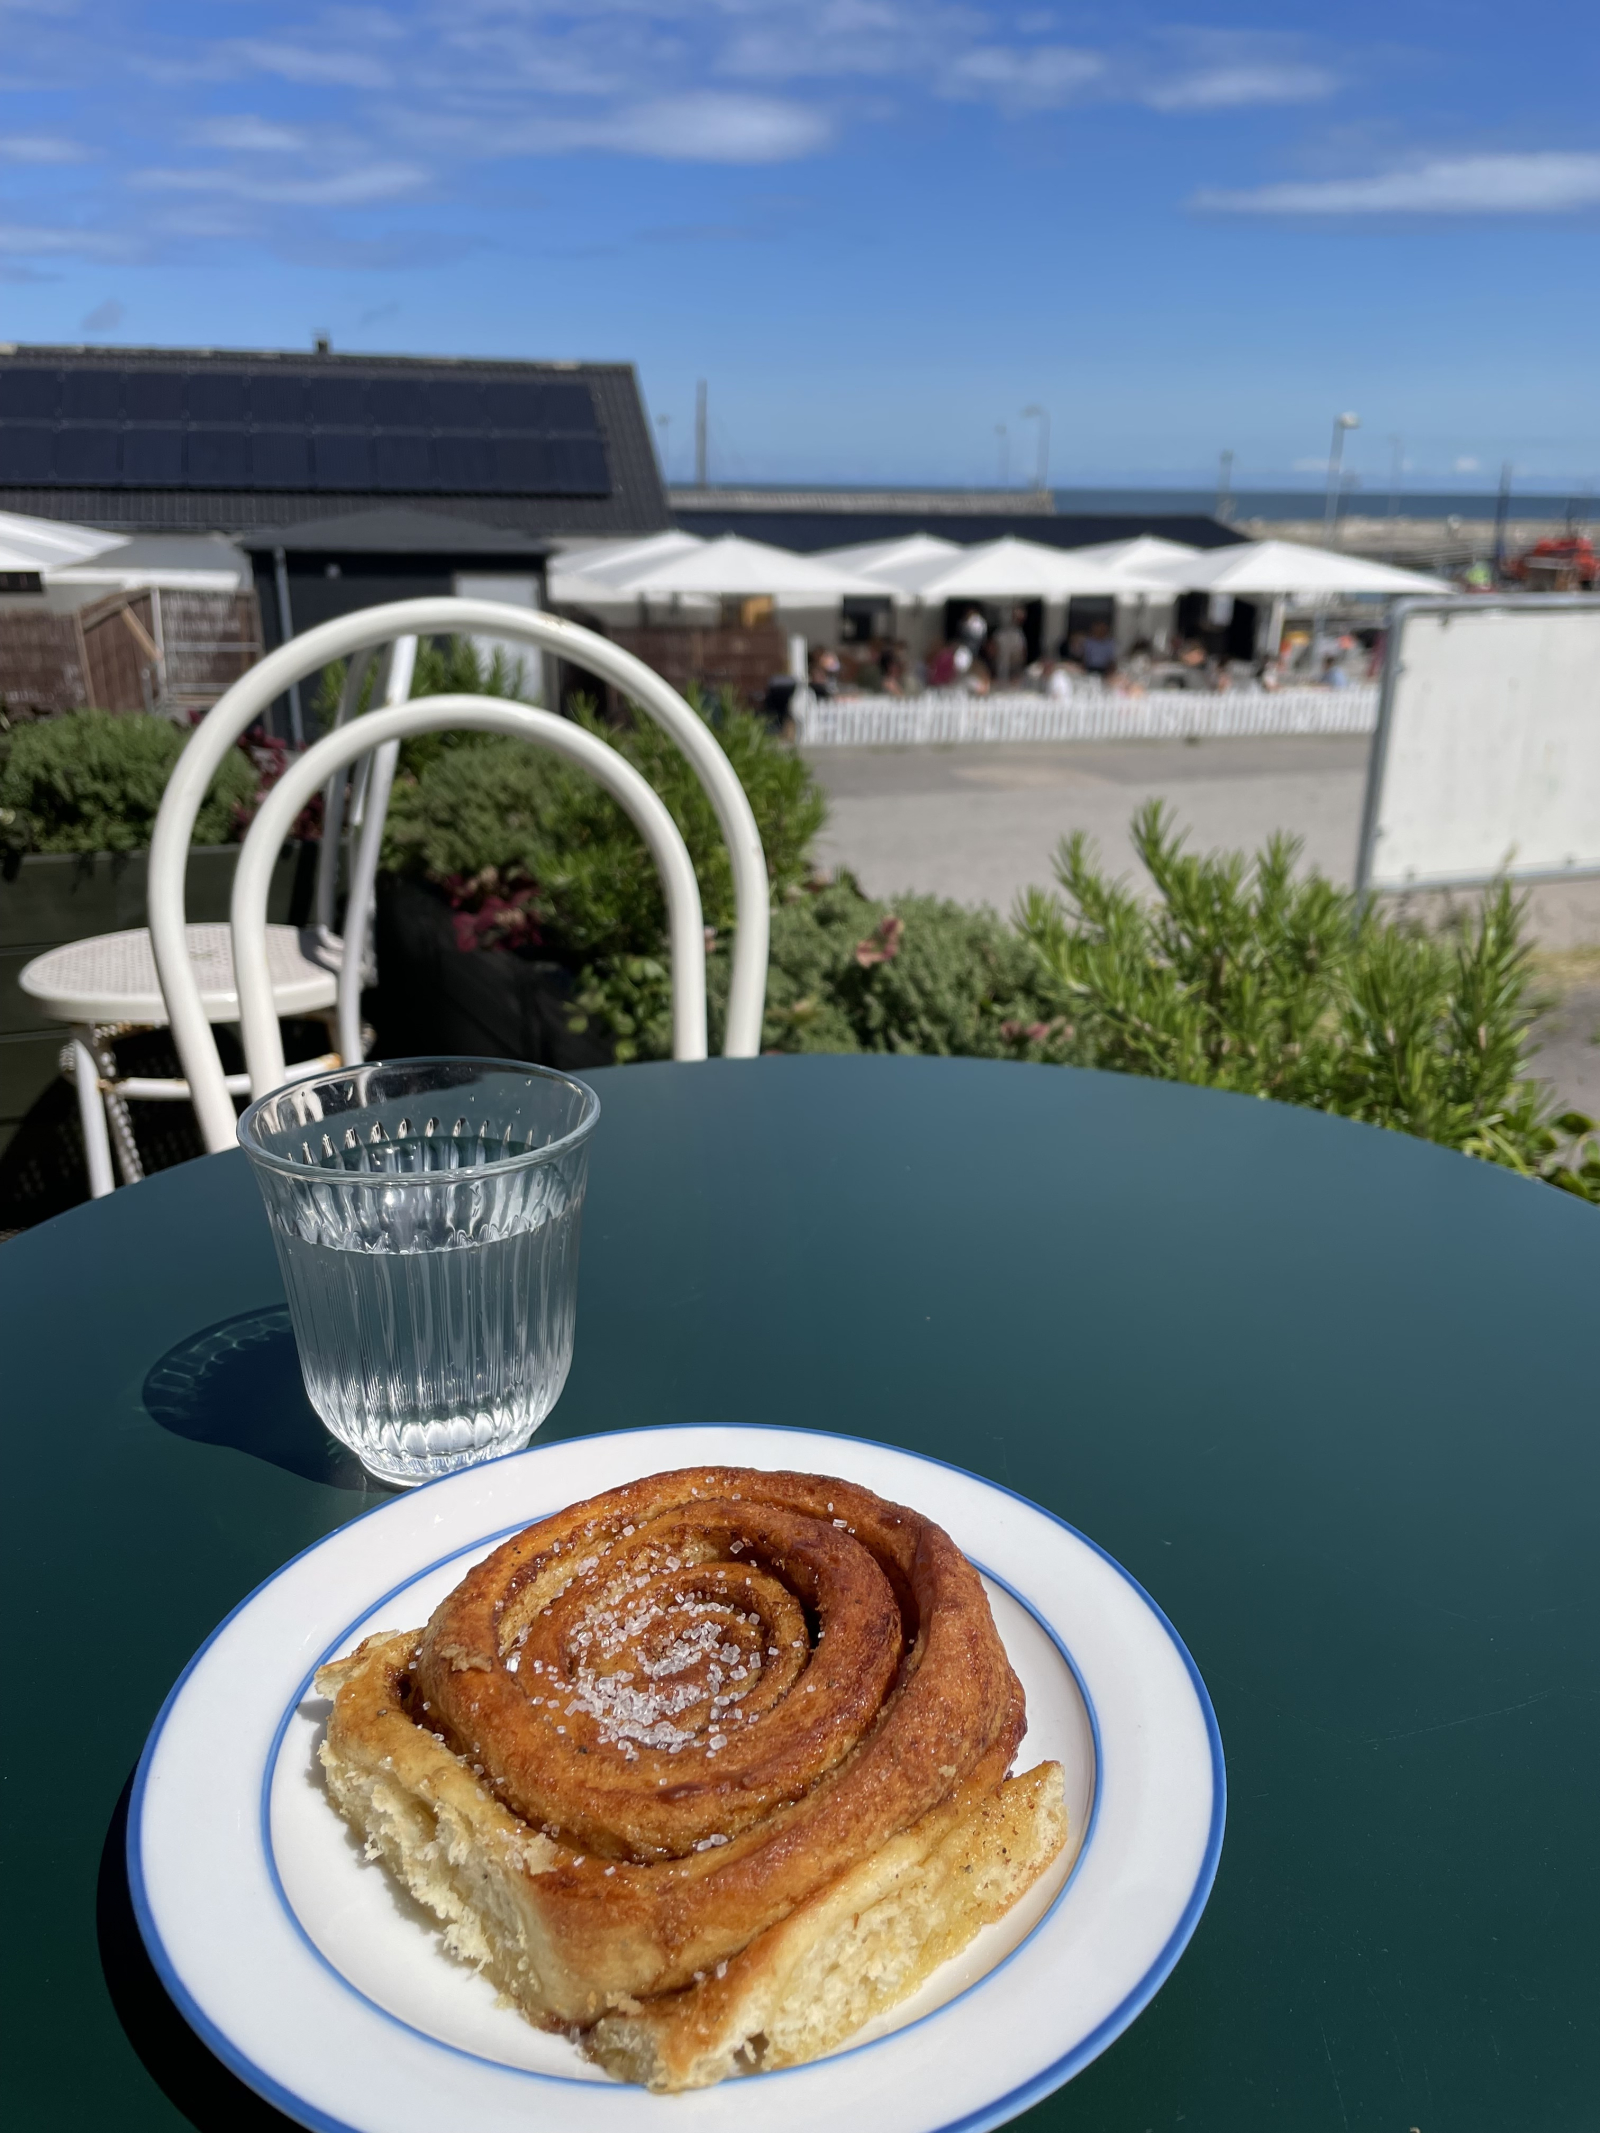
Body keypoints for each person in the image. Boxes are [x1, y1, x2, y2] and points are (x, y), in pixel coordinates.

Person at [990, 605, 1028, 686]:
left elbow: (1022, 651)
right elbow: (993, 649)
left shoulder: (1018, 634)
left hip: (1014, 669)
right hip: (1000, 668)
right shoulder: (1000, 633)